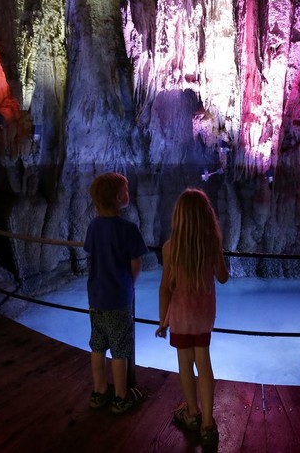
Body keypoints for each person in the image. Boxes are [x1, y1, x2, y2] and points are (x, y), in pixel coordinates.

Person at [155, 189, 229, 448]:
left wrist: (163, 320)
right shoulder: (211, 244)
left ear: (179, 218)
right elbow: (223, 277)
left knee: (185, 364)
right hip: (203, 316)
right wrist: (217, 254)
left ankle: (192, 414)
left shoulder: (170, 248)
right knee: (204, 364)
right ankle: (208, 425)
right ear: (206, 217)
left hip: (181, 316)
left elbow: (165, 287)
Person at [84, 172, 149, 414]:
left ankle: (99, 391)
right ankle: (121, 396)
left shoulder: (93, 227)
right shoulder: (128, 229)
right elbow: (136, 262)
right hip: (118, 299)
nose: (128, 193)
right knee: (120, 349)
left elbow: (92, 255)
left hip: (96, 297)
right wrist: (128, 285)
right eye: (126, 189)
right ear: (118, 197)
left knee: (98, 345)